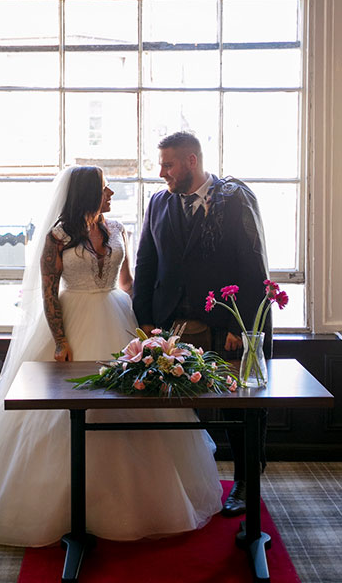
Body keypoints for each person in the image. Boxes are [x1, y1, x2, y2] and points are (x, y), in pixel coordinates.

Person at [0, 166, 223, 547]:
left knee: (130, 404)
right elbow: (48, 293)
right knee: (65, 409)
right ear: (86, 193)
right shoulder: (57, 237)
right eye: (103, 187)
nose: (110, 192)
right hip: (74, 321)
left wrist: (143, 327)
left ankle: (134, 495)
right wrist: (61, 342)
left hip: (118, 319)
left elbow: (128, 281)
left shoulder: (117, 230)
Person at [133, 131, 270, 517]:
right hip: (169, 328)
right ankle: (176, 487)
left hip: (221, 326)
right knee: (171, 411)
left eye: (168, 164)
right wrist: (145, 325)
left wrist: (240, 328)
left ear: (192, 161)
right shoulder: (159, 203)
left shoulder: (234, 200)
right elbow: (146, 266)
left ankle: (245, 483)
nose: (162, 173)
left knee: (238, 410)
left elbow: (251, 265)